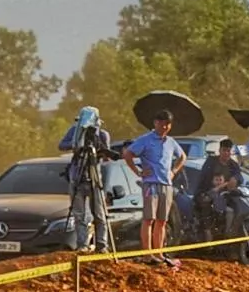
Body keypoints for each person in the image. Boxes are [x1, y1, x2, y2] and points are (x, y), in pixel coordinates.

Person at [123, 110, 186, 269]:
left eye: (167, 124)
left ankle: (159, 252)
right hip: (150, 183)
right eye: (161, 123)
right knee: (148, 219)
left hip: (166, 184)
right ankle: (147, 253)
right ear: (155, 123)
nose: (164, 126)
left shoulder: (171, 142)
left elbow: (183, 156)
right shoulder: (145, 139)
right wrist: (138, 171)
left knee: (162, 220)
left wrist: (174, 171)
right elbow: (128, 154)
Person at [58, 106, 116, 252]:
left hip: (94, 177)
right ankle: (82, 244)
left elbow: (106, 154)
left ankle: (102, 245)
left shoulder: (102, 135)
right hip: (77, 176)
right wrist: (77, 145)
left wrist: (97, 149)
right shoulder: (75, 132)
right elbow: (61, 145)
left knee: (99, 213)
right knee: (79, 214)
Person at [195, 138, 245, 236]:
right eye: (224, 150)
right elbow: (202, 178)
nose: (226, 153)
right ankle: (207, 231)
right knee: (206, 204)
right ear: (220, 150)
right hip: (208, 192)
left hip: (225, 195)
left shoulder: (233, 164)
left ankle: (229, 232)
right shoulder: (211, 162)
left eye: (228, 151)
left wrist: (235, 178)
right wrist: (208, 190)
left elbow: (240, 177)